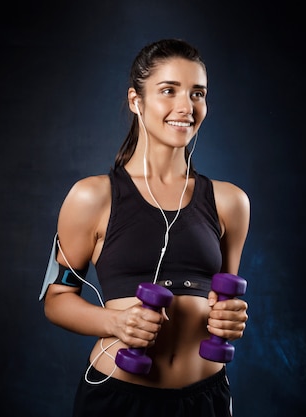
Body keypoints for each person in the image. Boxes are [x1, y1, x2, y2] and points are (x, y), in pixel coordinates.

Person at [40, 38, 250, 417]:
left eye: (197, 93)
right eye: (169, 90)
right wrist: (115, 322)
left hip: (206, 399)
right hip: (119, 398)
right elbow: (56, 299)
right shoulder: (92, 197)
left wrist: (232, 317)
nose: (186, 107)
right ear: (136, 101)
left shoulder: (231, 202)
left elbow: (225, 300)